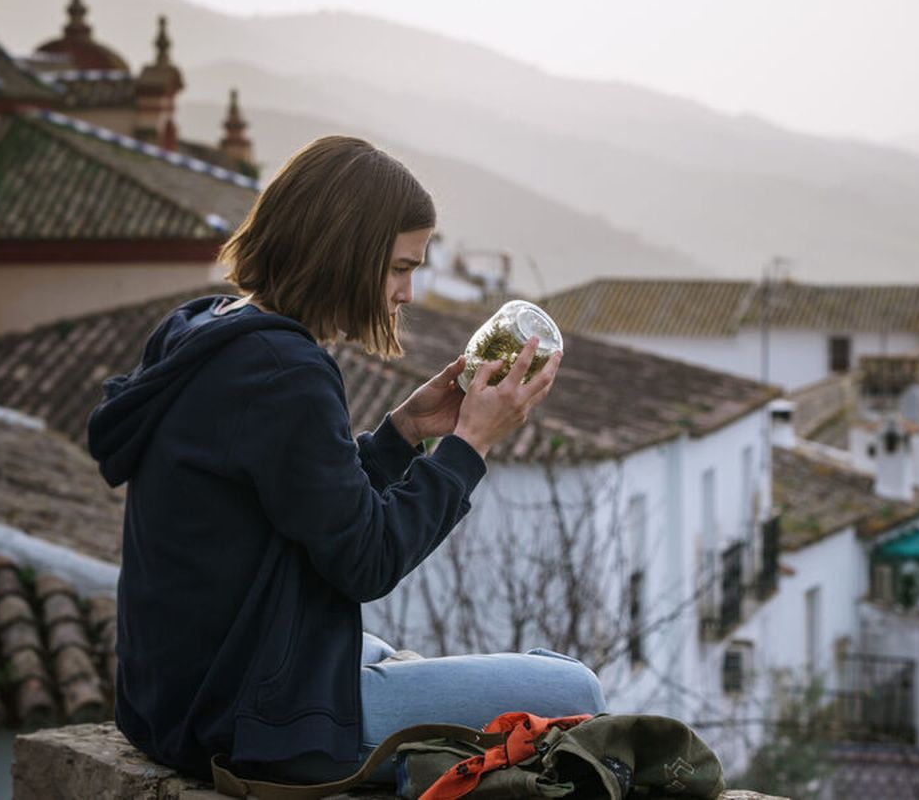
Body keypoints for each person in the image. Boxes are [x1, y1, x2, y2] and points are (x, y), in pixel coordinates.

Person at [86, 136, 605, 785]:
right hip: (247, 722)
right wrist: (469, 446)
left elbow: (309, 504)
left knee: (390, 656)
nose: (409, 292)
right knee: (575, 691)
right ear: (342, 255)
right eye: (398, 268)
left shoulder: (205, 330)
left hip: (169, 700)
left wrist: (405, 432)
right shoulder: (287, 373)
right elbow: (366, 560)